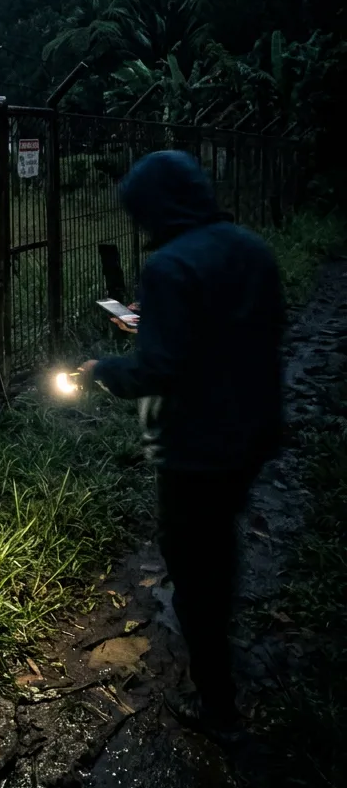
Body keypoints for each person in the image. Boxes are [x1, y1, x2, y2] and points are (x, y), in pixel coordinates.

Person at [79, 150, 285, 738]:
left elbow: (158, 371)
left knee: (194, 564)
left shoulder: (170, 266)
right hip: (254, 430)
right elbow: (243, 329)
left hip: (198, 444)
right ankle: (218, 628)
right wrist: (164, 319)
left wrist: (102, 368)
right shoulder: (250, 249)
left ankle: (218, 704)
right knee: (218, 539)